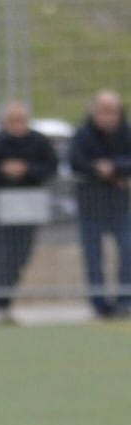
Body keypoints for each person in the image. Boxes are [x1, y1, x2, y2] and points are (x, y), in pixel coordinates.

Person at [0, 101, 59, 324]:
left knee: (21, 256)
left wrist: (27, 171)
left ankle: (7, 300)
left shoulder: (39, 142)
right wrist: (1, 171)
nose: (17, 125)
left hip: (29, 207)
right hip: (0, 208)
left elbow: (51, 168)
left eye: (21, 120)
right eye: (12, 121)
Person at [69, 89, 131, 319]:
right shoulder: (83, 134)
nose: (108, 116)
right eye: (103, 111)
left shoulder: (126, 133)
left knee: (128, 252)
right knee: (93, 258)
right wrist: (98, 169)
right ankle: (99, 304)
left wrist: (114, 168)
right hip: (90, 208)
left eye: (112, 111)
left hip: (120, 207)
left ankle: (125, 300)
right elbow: (75, 161)